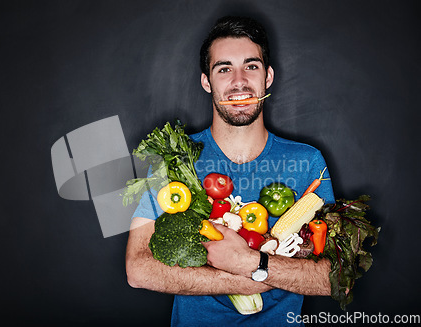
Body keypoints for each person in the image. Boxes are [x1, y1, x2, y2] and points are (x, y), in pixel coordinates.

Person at [126, 16, 335, 326]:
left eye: (251, 66)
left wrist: (250, 261)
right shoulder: (175, 158)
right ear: (206, 81)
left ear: (268, 77)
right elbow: (138, 269)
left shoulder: (308, 162)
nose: (239, 81)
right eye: (224, 69)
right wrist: (248, 277)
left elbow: (331, 279)